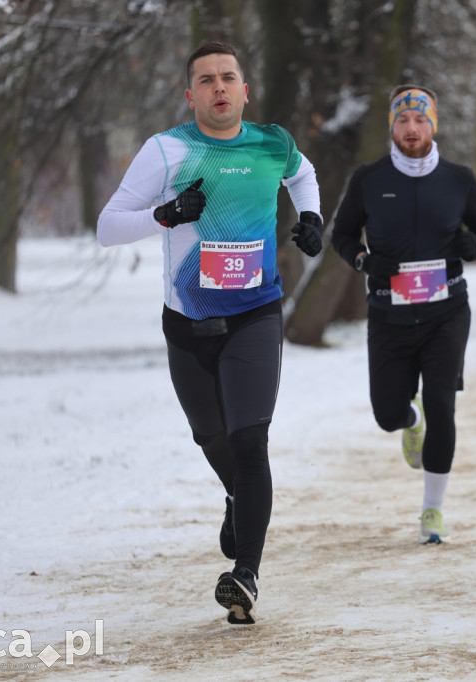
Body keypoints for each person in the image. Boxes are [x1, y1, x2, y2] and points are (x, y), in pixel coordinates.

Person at [97, 42, 324, 625]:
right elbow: (106, 227)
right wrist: (165, 215)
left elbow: (304, 175)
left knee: (250, 442)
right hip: (189, 325)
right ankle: (237, 499)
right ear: (190, 94)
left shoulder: (274, 142)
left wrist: (313, 217)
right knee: (213, 440)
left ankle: (244, 574)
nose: (219, 88)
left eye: (229, 78)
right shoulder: (167, 150)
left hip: (256, 315)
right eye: (206, 80)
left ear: (245, 91)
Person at [331, 84, 476, 545]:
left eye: (420, 120)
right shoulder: (369, 179)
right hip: (389, 314)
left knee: (443, 406)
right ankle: (410, 422)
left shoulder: (458, 179)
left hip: (447, 312)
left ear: (433, 125)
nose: (412, 129)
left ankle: (433, 509)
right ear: (393, 125)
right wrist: (365, 261)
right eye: (403, 120)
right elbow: (342, 235)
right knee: (387, 414)